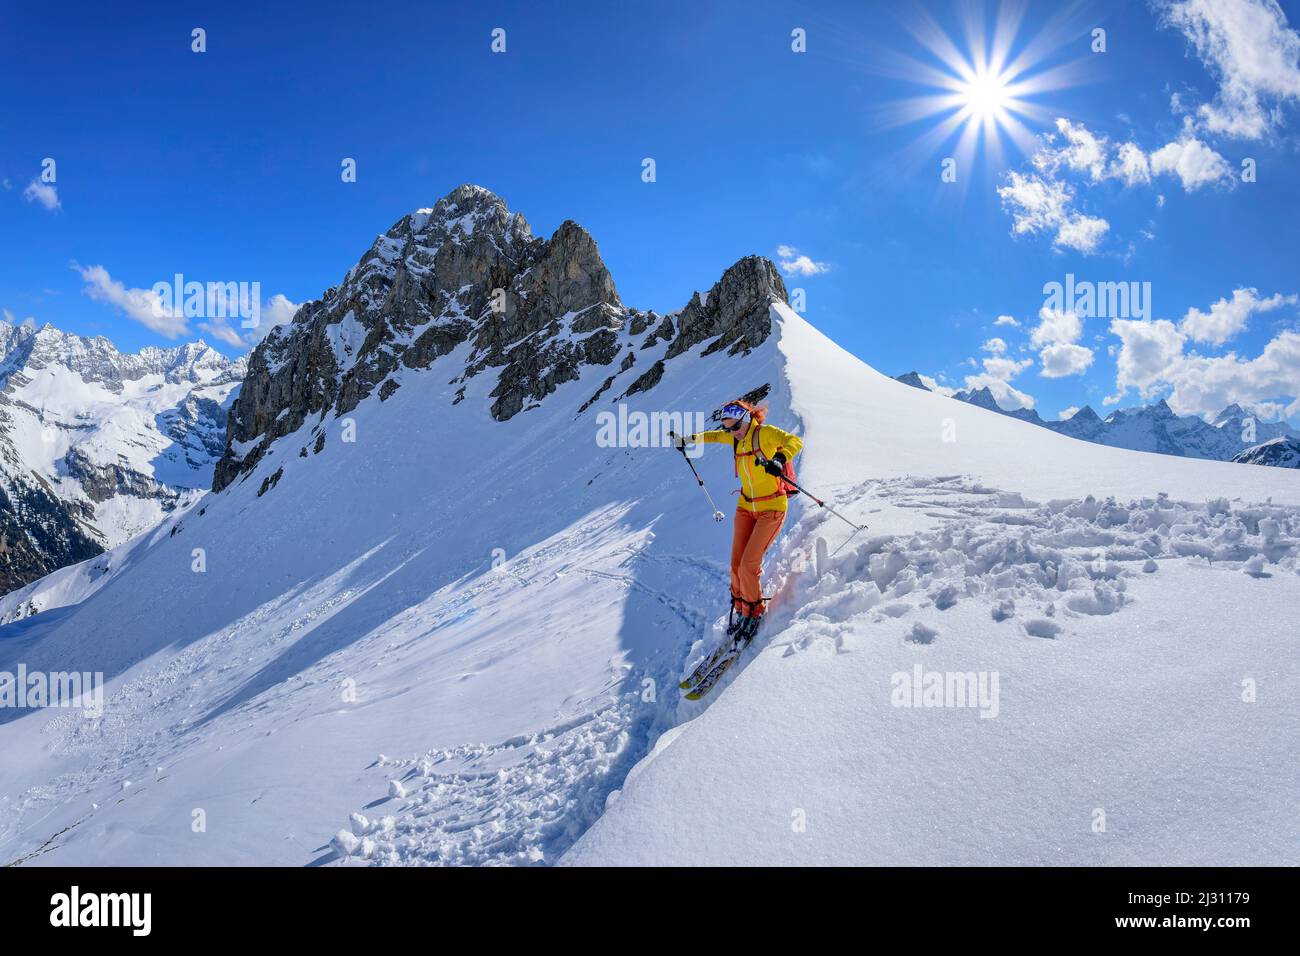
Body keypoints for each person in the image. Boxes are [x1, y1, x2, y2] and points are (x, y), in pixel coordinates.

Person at [674, 399, 803, 641]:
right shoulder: (734, 437)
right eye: (728, 428)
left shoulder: (765, 433)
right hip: (745, 506)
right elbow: (712, 437)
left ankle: (754, 612)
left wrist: (779, 459)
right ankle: (742, 609)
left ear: (746, 420)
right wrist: (687, 440)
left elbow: (794, 441)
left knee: (748, 566)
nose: (731, 432)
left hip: (772, 507)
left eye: (734, 427)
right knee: (735, 567)